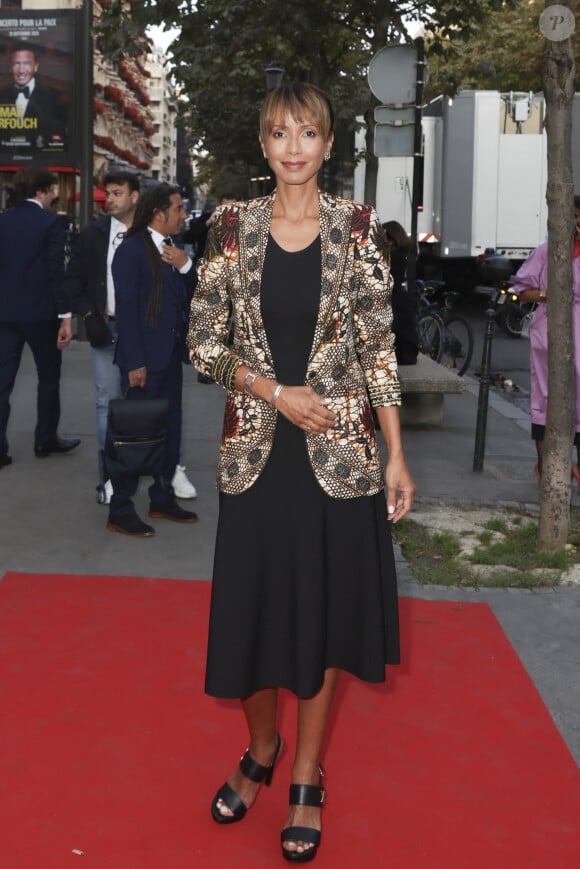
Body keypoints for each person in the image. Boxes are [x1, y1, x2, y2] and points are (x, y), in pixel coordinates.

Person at [188, 83, 415, 862]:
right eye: (280, 132)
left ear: (326, 144)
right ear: (264, 144)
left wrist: (396, 451)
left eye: (308, 133)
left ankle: (306, 776)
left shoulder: (356, 230)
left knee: (317, 621)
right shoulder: (229, 228)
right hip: (257, 453)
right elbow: (203, 343)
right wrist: (271, 391)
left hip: (340, 457)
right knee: (252, 620)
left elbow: (379, 349)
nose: (293, 146)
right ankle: (262, 747)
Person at [65, 172, 196, 505]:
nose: (109, 199)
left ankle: (168, 476)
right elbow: (80, 283)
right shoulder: (102, 237)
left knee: (164, 415)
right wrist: (88, 317)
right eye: (107, 193)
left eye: (117, 193)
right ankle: (115, 482)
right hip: (112, 332)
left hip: (159, 346)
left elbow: (181, 297)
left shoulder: (166, 243)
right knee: (114, 408)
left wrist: (185, 267)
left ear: (136, 197)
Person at [106, 183, 199, 537]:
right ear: (159, 213)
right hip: (143, 362)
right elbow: (127, 314)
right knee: (133, 434)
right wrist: (135, 364)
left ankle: (161, 497)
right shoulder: (131, 251)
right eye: (178, 208)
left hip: (170, 357)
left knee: (168, 431)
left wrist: (187, 265)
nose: (183, 214)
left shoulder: (172, 250)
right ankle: (121, 507)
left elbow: (193, 296)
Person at [0, 165, 79, 467]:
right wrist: (66, 316)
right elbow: (55, 271)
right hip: (41, 313)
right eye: (51, 190)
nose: (54, 195)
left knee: (2, 382)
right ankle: (45, 439)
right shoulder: (50, 223)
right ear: (40, 192)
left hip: (5, 313)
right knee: (48, 377)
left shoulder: (3, 221)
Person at [512, 195, 580, 485]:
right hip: (551, 331)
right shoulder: (545, 252)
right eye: (572, 216)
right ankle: (548, 470)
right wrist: (551, 294)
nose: (576, 222)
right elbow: (522, 291)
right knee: (547, 396)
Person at [183, 193, 238, 383]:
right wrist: (208, 223)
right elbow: (188, 237)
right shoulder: (207, 219)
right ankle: (206, 369)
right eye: (225, 209)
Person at [0, 41, 66, 151]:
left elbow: (58, 133)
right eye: (16, 63)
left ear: (36, 67)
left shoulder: (53, 97)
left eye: (27, 63)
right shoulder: (2, 95)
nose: (21, 70)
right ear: (10, 67)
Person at [383, 220, 419, 365]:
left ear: (391, 240)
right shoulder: (403, 254)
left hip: (403, 354)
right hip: (405, 350)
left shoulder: (396, 258)